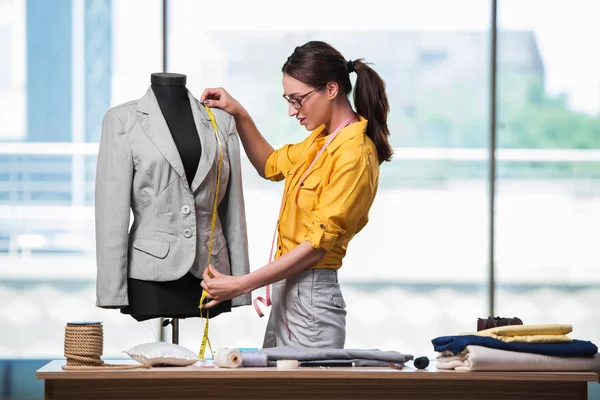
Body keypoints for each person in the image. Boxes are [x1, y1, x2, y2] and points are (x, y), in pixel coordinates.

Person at [199, 40, 393, 349]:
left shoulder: (354, 153)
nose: (292, 111)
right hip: (286, 289)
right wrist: (239, 114)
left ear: (331, 89)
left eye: (298, 100)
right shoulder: (322, 139)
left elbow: (317, 248)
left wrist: (242, 284)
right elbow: (270, 164)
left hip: (312, 297)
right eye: (288, 100)